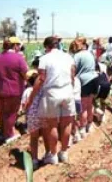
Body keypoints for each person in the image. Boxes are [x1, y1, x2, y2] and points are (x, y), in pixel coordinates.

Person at [25, 36, 75, 165]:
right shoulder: (68, 57)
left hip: (52, 92)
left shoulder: (44, 58)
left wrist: (31, 99)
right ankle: (63, 153)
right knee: (67, 123)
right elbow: (72, 76)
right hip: (67, 90)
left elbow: (41, 79)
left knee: (52, 125)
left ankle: (53, 155)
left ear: (47, 47)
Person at [0, 37, 28, 142]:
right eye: (19, 45)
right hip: (13, 90)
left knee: (2, 112)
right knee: (11, 113)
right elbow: (25, 74)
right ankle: (9, 135)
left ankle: (3, 132)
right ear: (15, 45)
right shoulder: (18, 58)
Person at [70, 37, 99, 137]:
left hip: (84, 81)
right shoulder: (89, 53)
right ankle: (90, 125)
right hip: (94, 79)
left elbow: (73, 70)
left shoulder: (77, 56)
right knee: (90, 104)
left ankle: (82, 128)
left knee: (83, 107)